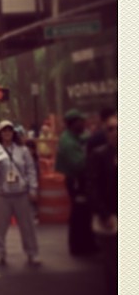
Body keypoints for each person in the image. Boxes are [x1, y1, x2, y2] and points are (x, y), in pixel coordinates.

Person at [0, 120, 41, 266]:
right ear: (0, 134)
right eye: (4, 131)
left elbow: (30, 170)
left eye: (9, 130)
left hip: (21, 193)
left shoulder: (22, 150)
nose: (7, 133)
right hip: (2, 193)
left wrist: (33, 188)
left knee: (27, 226)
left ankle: (32, 252)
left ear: (13, 133)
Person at [85, 112, 117, 295]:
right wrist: (103, 213)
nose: (116, 133)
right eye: (111, 129)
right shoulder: (99, 155)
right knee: (113, 265)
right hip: (110, 219)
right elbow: (92, 186)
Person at [55, 108, 97, 256]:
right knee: (79, 214)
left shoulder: (75, 136)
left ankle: (86, 244)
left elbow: (86, 138)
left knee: (84, 213)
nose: (84, 124)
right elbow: (79, 164)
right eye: (81, 121)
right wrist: (94, 158)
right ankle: (78, 246)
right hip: (76, 181)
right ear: (73, 124)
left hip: (79, 180)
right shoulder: (67, 141)